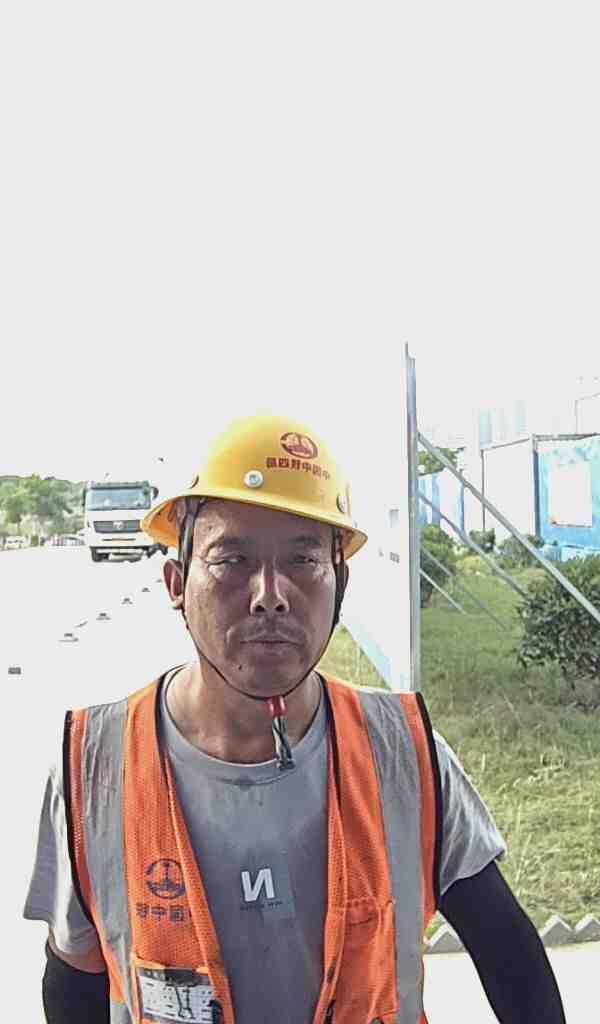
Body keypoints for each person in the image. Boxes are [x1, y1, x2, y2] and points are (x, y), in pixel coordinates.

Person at [24, 414, 566, 1024]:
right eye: (232, 559)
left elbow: (512, 959)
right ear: (176, 582)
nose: (270, 595)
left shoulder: (404, 753)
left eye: (303, 559)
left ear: (341, 583)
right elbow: (73, 980)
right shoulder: (94, 765)